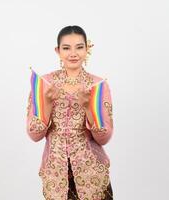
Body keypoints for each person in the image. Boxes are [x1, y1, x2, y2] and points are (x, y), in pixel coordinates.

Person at [26, 25, 114, 200]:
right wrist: (48, 104)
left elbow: (104, 138)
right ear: (58, 51)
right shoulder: (44, 84)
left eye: (79, 47)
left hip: (91, 173)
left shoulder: (97, 86)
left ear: (87, 49)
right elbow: (34, 134)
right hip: (56, 173)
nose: (73, 53)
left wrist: (89, 107)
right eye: (66, 48)